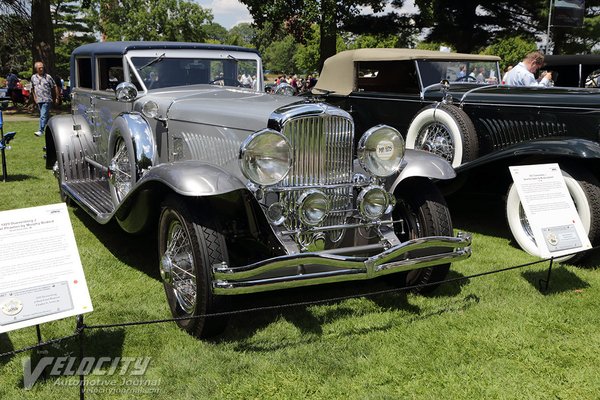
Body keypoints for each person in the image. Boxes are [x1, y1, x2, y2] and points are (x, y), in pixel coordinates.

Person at [31, 61, 60, 137]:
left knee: (43, 115)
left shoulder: (48, 77)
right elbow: (32, 88)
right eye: (39, 68)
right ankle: (52, 129)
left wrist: (57, 97)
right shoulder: (33, 77)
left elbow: (54, 86)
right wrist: (34, 98)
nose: (41, 69)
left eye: (42, 67)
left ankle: (41, 131)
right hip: (39, 100)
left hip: (47, 99)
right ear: (36, 69)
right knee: (45, 116)